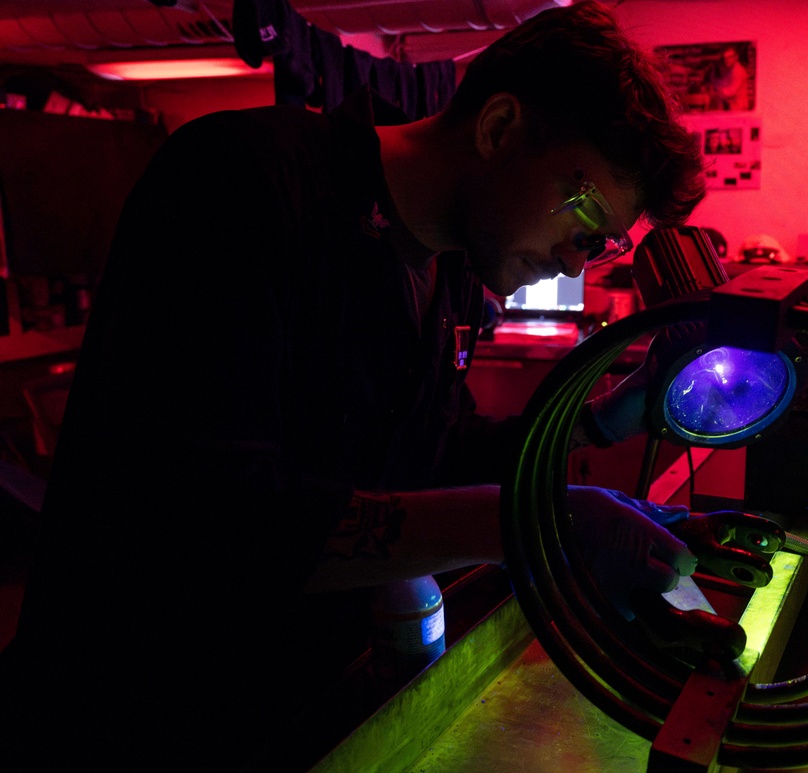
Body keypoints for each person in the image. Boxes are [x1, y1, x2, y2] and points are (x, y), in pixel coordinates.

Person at [0, 2, 706, 770]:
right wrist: (534, 525)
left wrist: (604, 419)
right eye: (584, 219)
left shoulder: (441, 272)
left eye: (599, 247)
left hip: (293, 714)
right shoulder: (244, 180)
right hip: (126, 722)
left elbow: (436, 453)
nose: (576, 263)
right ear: (499, 128)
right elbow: (217, 516)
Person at [708, 46, 750, 111]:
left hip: (739, 108)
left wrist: (717, 93)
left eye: (729, 57)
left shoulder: (738, 71)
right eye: (725, 58)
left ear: (736, 57)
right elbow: (724, 83)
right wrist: (713, 81)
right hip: (733, 106)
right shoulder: (731, 69)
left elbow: (732, 91)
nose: (726, 60)